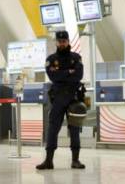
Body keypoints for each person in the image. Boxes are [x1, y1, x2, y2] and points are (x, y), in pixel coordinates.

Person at [36, 30, 85, 170]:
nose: (62, 43)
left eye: (64, 41)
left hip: (73, 99)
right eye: (60, 41)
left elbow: (78, 76)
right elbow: (53, 77)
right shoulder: (51, 59)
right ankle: (48, 161)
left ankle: (75, 160)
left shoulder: (76, 57)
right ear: (56, 42)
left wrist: (62, 74)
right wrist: (68, 72)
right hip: (57, 99)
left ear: (68, 41)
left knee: (75, 129)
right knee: (53, 129)